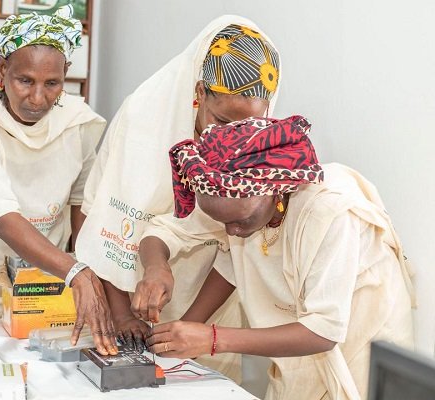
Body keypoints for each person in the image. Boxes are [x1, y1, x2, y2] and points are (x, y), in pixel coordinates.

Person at [134, 115, 415, 400]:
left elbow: (323, 331)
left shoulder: (330, 212)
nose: (231, 231)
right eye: (223, 223)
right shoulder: (233, 198)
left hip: (360, 341)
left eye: (240, 221)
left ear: (276, 191)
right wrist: (177, 326)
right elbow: (228, 262)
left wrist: (211, 339)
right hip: (304, 341)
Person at [75, 16, 280, 377]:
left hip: (207, 314)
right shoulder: (142, 119)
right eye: (219, 121)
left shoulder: (263, 146)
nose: (230, 139)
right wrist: (123, 313)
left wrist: (186, 333)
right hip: (123, 295)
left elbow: (239, 250)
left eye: (245, 127)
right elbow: (102, 218)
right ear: (199, 94)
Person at [0, 6, 116, 354]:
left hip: (41, 287)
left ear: (66, 75)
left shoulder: (78, 122)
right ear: (2, 70)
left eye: (52, 83)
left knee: (37, 374)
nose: (38, 97)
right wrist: (77, 271)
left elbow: (81, 206)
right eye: (25, 80)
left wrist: (90, 271)